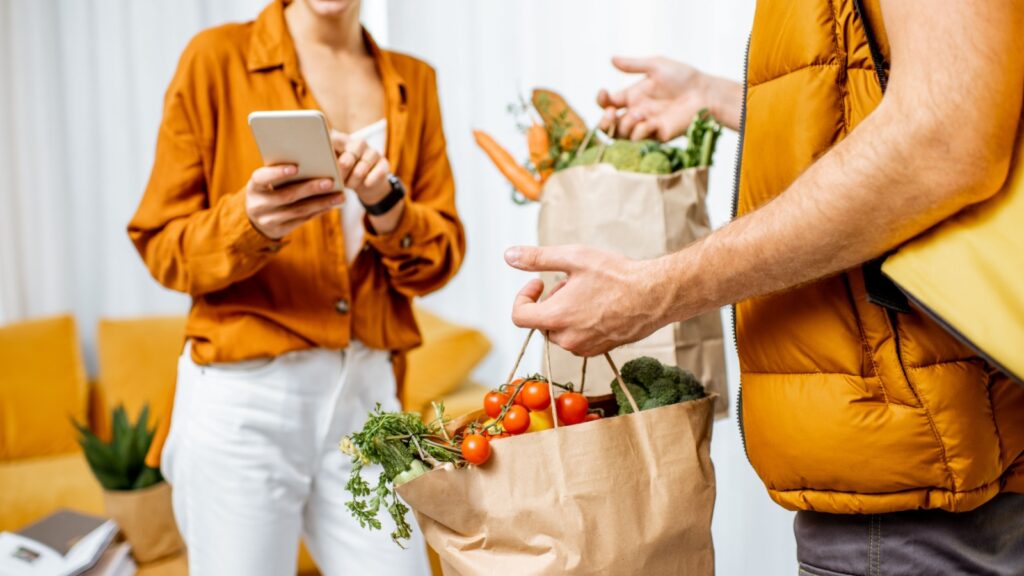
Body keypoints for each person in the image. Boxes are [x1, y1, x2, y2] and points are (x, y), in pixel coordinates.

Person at [506, 1, 1024, 574]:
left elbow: (943, 138)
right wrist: (719, 97)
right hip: (918, 463)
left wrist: (654, 291)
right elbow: (886, 92)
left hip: (924, 482)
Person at [128, 0, 462, 573]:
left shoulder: (415, 80)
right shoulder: (215, 60)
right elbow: (161, 246)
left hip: (370, 393)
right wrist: (248, 223)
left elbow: (438, 261)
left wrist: (385, 202)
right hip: (244, 397)